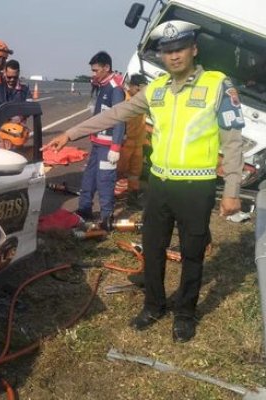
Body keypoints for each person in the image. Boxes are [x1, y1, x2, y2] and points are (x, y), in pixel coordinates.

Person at [42, 20, 244, 342]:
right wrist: (70, 133)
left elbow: (233, 141)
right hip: (160, 186)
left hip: (197, 187)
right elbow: (115, 114)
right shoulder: (158, 89)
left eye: (180, 49)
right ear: (162, 56)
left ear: (194, 49)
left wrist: (232, 190)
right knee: (153, 248)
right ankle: (153, 306)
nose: (174, 56)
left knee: (192, 253)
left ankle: (185, 314)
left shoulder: (217, 85)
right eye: (167, 51)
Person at [72, 51, 126, 228]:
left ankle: (106, 217)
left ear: (106, 68)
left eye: (96, 70)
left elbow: (119, 118)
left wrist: (115, 147)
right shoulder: (101, 86)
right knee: (88, 178)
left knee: (105, 180)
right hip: (97, 143)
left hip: (107, 146)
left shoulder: (115, 89)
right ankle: (84, 209)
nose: (93, 74)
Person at [116, 73, 148, 209]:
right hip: (125, 143)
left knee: (135, 172)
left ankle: (132, 198)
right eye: (138, 89)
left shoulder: (143, 101)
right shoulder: (123, 99)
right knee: (118, 171)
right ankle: (110, 198)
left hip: (138, 143)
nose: (140, 92)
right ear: (132, 86)